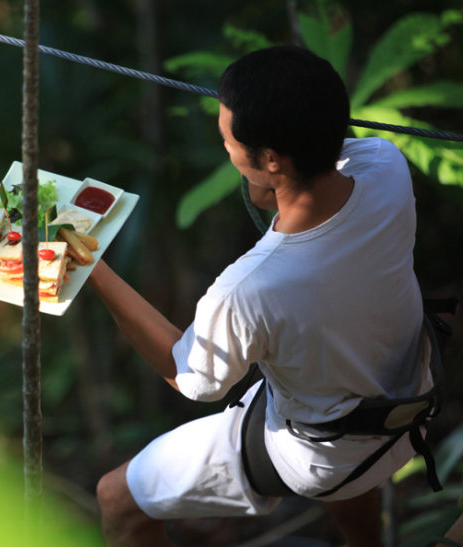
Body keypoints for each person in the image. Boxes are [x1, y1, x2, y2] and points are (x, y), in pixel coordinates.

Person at [86, 45, 431, 547]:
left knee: (115, 497)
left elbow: (189, 377)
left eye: (227, 139)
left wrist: (92, 269)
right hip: (404, 403)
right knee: (318, 388)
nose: (224, 147)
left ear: (270, 159)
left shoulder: (251, 288)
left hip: (323, 452)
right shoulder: (387, 168)